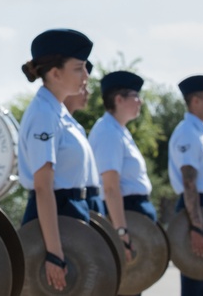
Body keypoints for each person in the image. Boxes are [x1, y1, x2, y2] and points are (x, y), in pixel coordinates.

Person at [17, 28, 96, 292]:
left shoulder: (57, 110)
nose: (86, 75)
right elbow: (43, 187)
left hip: (69, 212)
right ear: (55, 73)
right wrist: (53, 253)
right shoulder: (44, 113)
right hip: (54, 217)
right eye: (79, 68)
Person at [88, 70, 155, 288]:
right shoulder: (108, 132)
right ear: (119, 99)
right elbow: (110, 188)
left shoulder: (119, 130)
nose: (140, 101)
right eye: (135, 96)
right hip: (124, 213)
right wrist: (122, 233)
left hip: (133, 212)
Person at [168, 74, 203, 296]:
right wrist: (196, 226)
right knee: (194, 283)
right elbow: (189, 182)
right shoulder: (188, 132)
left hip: (201, 207)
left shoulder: (199, 132)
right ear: (195, 101)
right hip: (193, 208)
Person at [64, 64, 104, 217]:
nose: (87, 92)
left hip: (86, 200)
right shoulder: (51, 118)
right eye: (83, 87)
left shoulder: (75, 126)